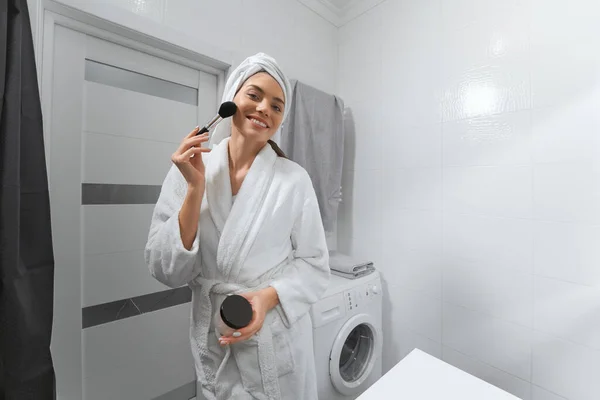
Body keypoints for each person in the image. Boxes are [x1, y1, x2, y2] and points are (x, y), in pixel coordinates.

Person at [144, 53, 330, 400]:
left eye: (277, 106)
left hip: (274, 337)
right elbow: (164, 268)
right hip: (214, 334)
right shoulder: (191, 168)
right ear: (231, 99)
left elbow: (315, 266)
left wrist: (266, 298)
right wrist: (195, 189)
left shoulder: (294, 180)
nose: (264, 109)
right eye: (254, 95)